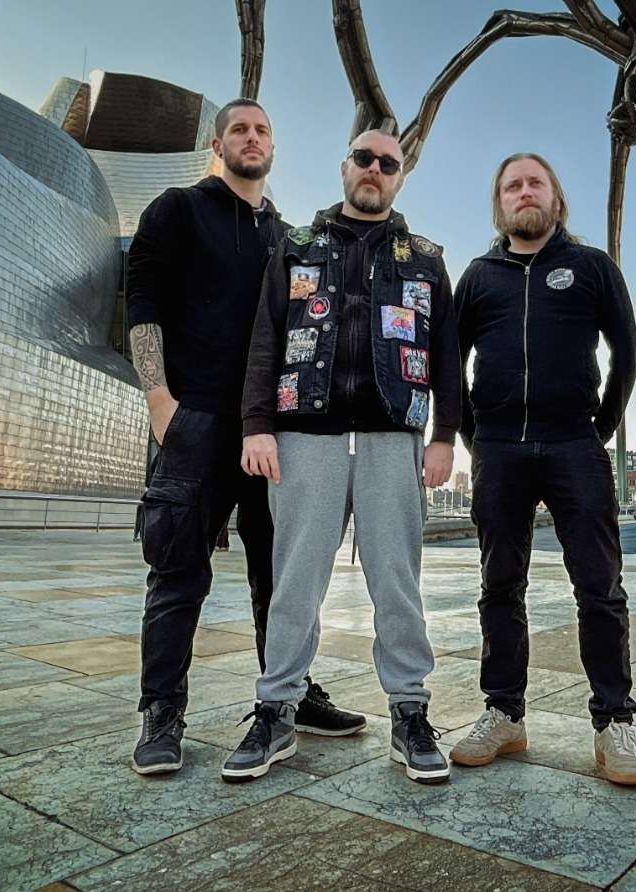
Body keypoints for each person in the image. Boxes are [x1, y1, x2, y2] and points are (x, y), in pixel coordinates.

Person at [125, 99, 363, 777]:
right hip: (195, 419)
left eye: (262, 130)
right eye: (240, 129)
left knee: (281, 576)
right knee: (178, 574)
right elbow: (141, 301)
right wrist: (160, 402)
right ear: (217, 143)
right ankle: (161, 714)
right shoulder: (177, 208)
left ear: (273, 146)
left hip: (273, 429)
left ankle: (289, 694)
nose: (251, 138)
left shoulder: (287, 236)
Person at [224, 129, 462, 785]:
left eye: (389, 163)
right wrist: (256, 426)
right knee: (295, 582)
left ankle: (410, 713)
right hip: (306, 435)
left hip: (393, 436)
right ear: (344, 167)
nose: (375, 169)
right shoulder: (296, 245)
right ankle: (277, 709)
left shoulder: (426, 258)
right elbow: (266, 337)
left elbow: (445, 352)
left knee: (398, 583)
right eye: (364, 158)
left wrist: (445, 435)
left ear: (400, 178)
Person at [448, 153, 636, 785]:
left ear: (556, 198)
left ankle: (613, 723)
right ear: (499, 204)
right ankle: (504, 714)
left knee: (600, 588)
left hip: (573, 444)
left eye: (536, 182)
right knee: (499, 586)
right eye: (513, 185)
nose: (525, 191)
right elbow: (450, 362)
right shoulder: (478, 277)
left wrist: (598, 428)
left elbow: (628, 353)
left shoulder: (591, 267)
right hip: (499, 448)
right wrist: (476, 437)